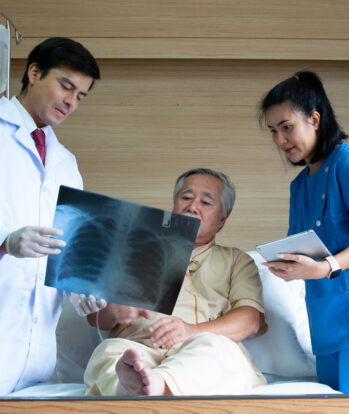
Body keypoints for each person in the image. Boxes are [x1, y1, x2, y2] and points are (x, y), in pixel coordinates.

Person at [84, 168, 268, 396]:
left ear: (223, 216)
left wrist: (190, 331)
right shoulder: (134, 251)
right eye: (186, 198)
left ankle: (149, 387)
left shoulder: (236, 260)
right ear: (174, 204)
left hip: (198, 352)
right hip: (139, 350)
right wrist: (114, 310)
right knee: (109, 352)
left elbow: (250, 321)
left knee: (217, 350)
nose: (193, 207)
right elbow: (96, 318)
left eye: (206, 202)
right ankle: (131, 385)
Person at [259, 70, 349, 394]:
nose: (280, 140)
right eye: (273, 131)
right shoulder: (299, 186)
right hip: (324, 322)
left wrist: (326, 267)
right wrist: (286, 267)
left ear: (314, 119)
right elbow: (302, 248)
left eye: (287, 127)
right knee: (329, 405)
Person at [0, 37, 104, 395]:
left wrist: (79, 286)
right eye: (66, 86)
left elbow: (69, 247)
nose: (71, 102)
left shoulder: (66, 164)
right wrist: (4, 243)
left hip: (36, 355)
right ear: (33, 72)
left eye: (81, 96)